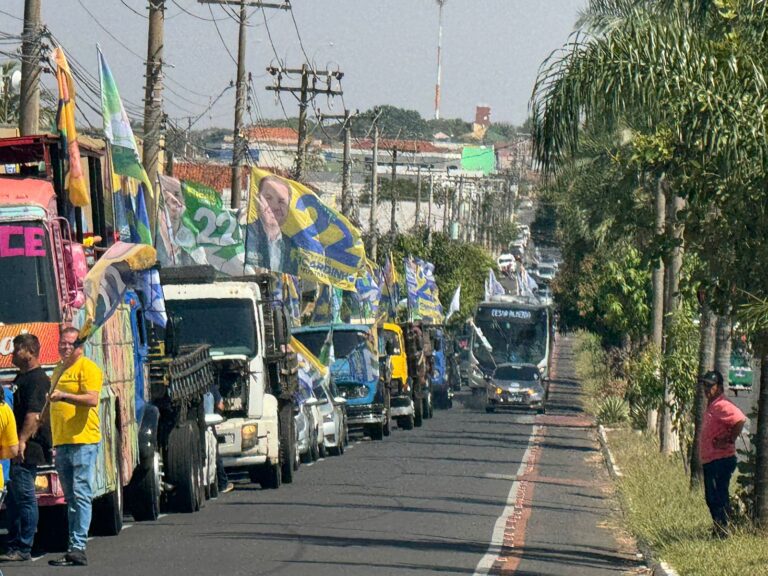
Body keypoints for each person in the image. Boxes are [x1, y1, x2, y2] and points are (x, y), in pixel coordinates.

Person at [47, 326, 103, 567]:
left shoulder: (88, 368)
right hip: (63, 441)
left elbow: (92, 399)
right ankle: (73, 546)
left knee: (81, 494)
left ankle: (79, 546)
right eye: (62, 343)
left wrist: (64, 397)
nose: (64, 347)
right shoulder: (59, 370)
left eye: (70, 344)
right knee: (70, 497)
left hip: (83, 440)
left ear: (79, 347)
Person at [0, 334, 51, 563]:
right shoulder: (22, 377)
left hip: (27, 447)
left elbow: (34, 415)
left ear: (29, 352)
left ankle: (24, 546)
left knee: (25, 497)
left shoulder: (38, 380)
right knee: (13, 498)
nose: (12, 354)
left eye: (17, 350)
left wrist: (21, 441)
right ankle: (13, 544)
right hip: (14, 447)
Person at [699, 370, 746, 538]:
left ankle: (723, 529)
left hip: (721, 458)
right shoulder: (712, 404)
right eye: (704, 385)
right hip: (711, 459)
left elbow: (740, 419)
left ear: (718, 387)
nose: (706, 389)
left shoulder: (722, 404)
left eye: (709, 386)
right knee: (711, 497)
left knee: (717, 496)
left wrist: (729, 438)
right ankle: (719, 528)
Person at [246, 176, 298, 275]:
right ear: (258, 200)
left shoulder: (293, 248)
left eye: (281, 201)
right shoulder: (244, 236)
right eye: (268, 198)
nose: (274, 206)